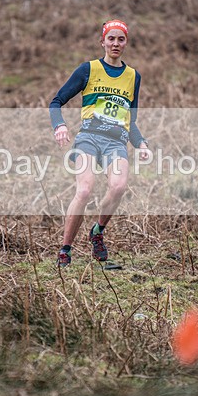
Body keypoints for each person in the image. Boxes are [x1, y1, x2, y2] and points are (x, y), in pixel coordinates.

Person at [49, 19, 152, 268]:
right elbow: (56, 102)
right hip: (88, 139)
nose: (116, 43)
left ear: (126, 43)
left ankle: (97, 231)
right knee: (84, 190)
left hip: (115, 142)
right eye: (111, 38)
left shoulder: (132, 77)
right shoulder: (88, 69)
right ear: (102, 42)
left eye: (121, 39)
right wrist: (60, 126)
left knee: (118, 187)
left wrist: (142, 144)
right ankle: (65, 249)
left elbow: (130, 121)